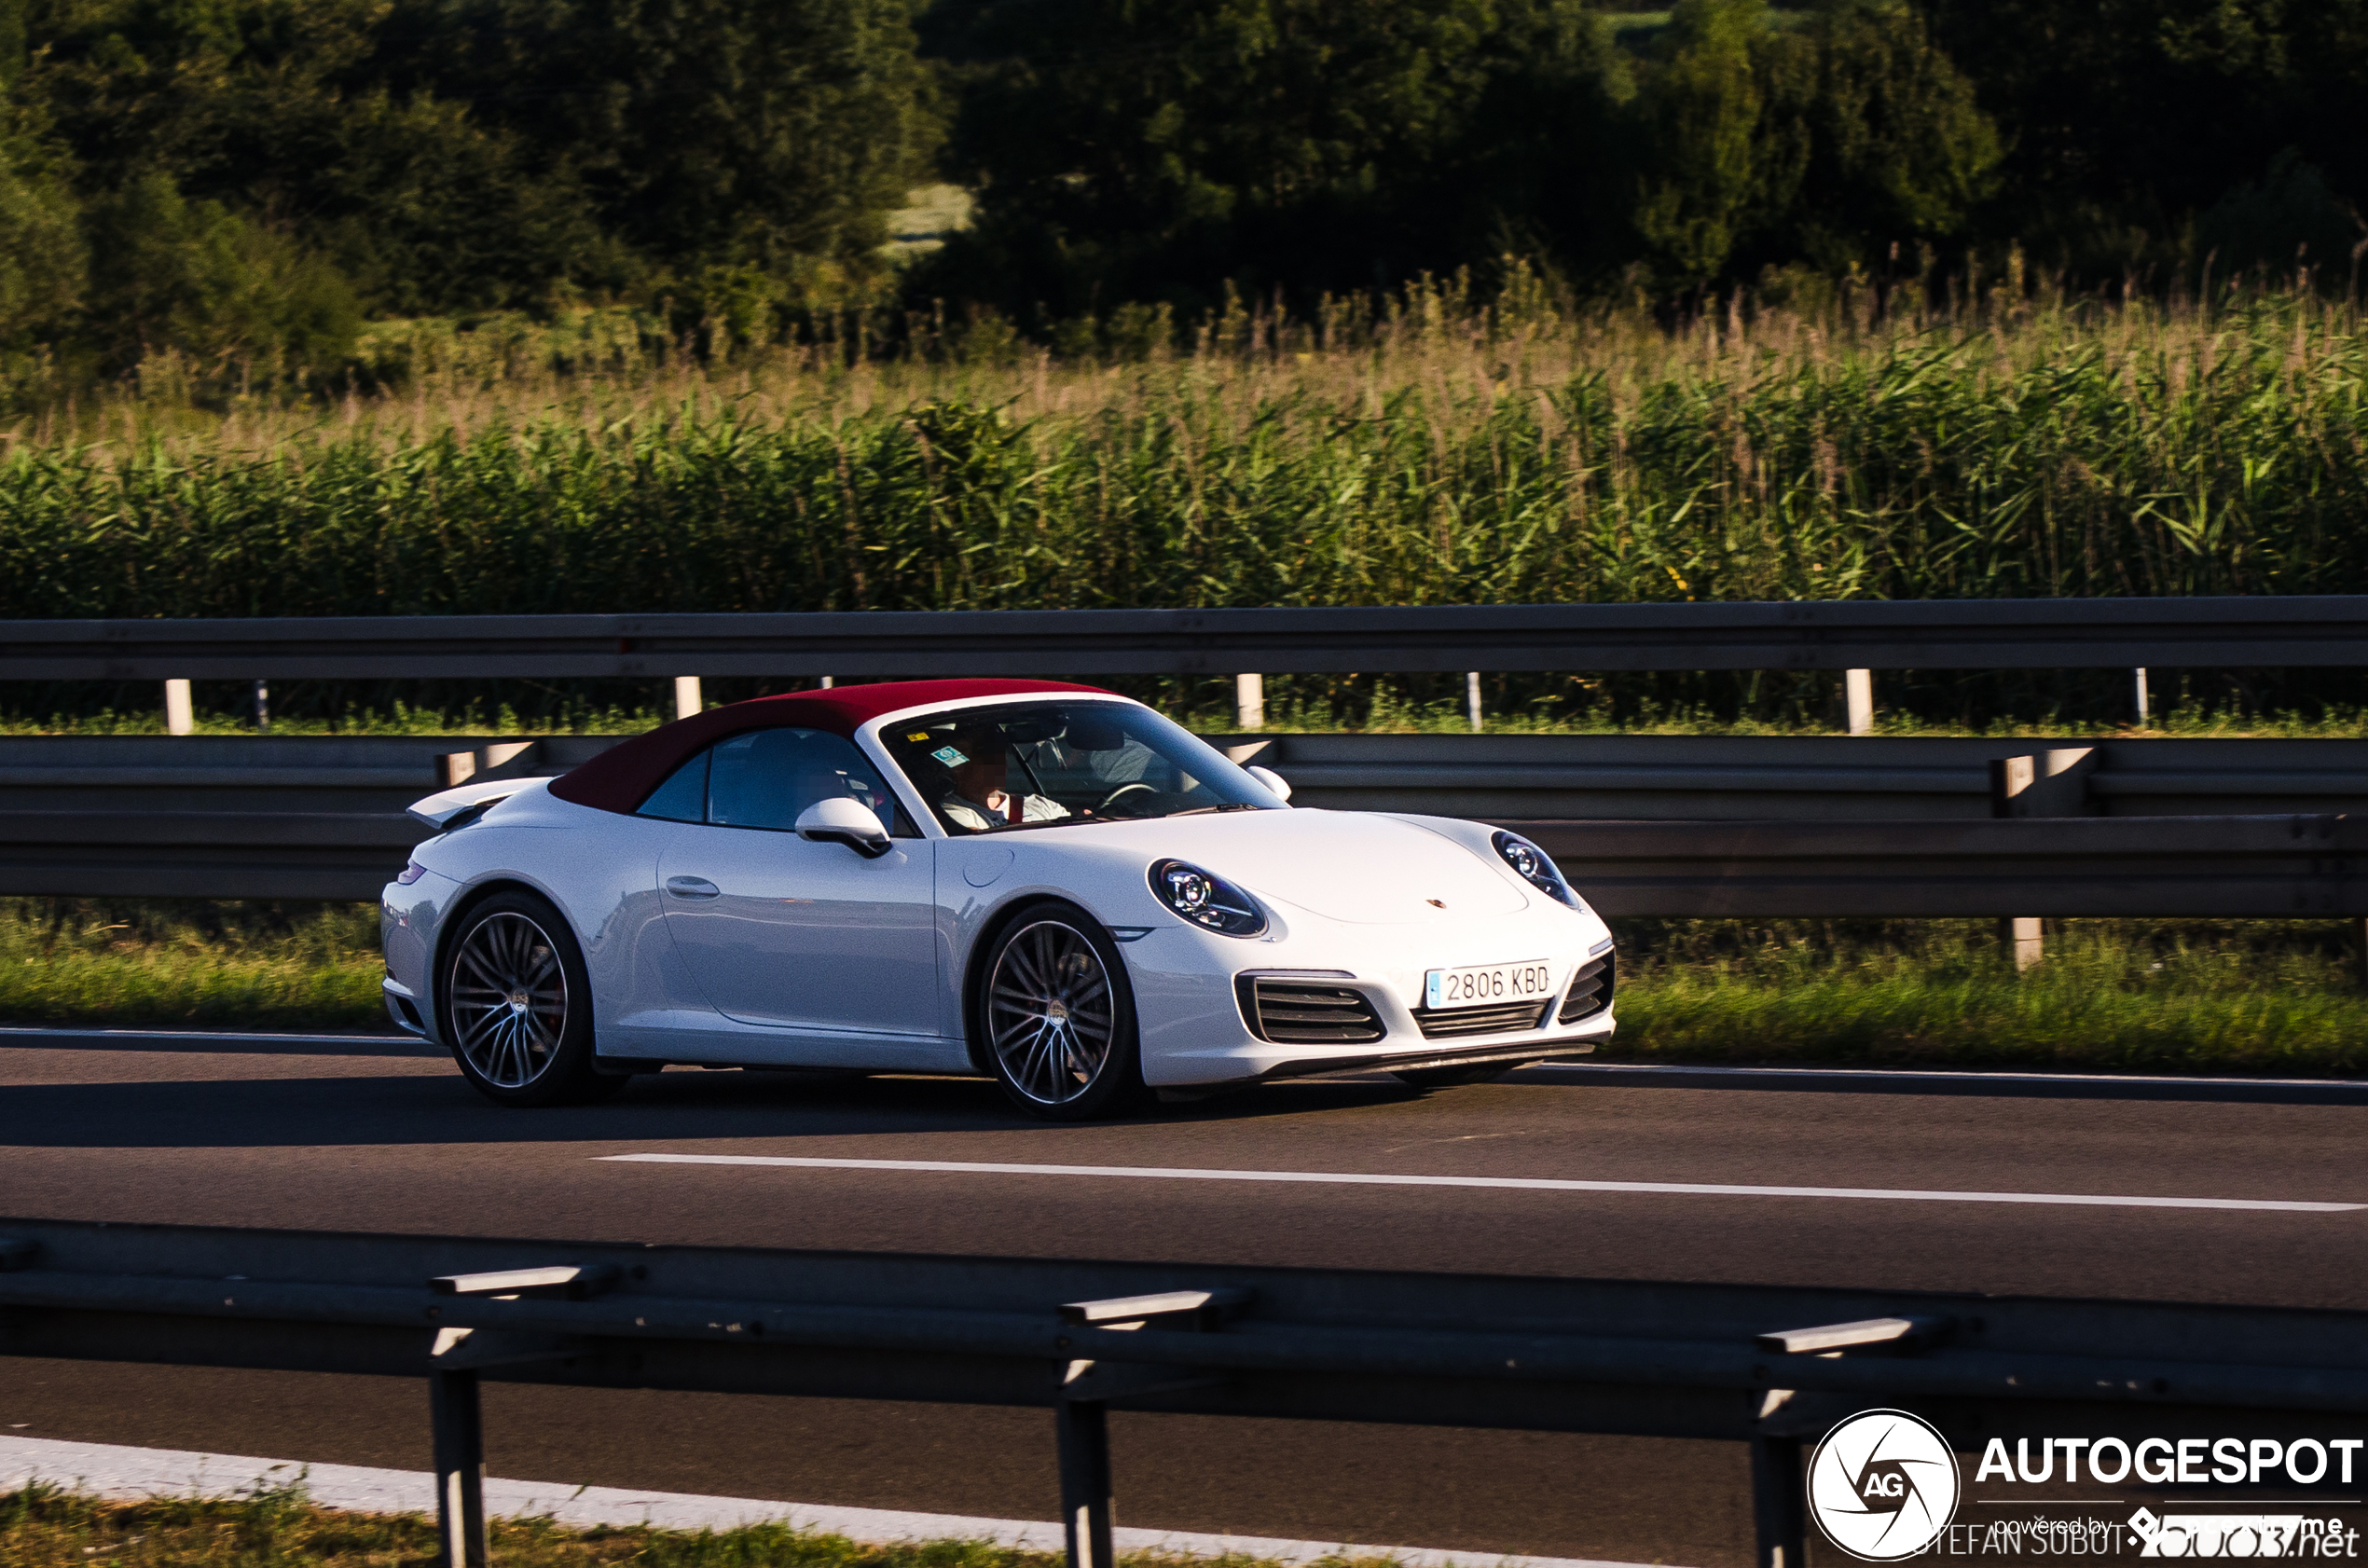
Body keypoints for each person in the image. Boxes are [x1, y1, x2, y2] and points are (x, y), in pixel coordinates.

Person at [937, 727, 1071, 832]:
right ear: (958, 766)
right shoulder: (951, 812)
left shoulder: (1043, 805)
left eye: (1001, 752)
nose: (1000, 761)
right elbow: (982, 848)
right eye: (986, 754)